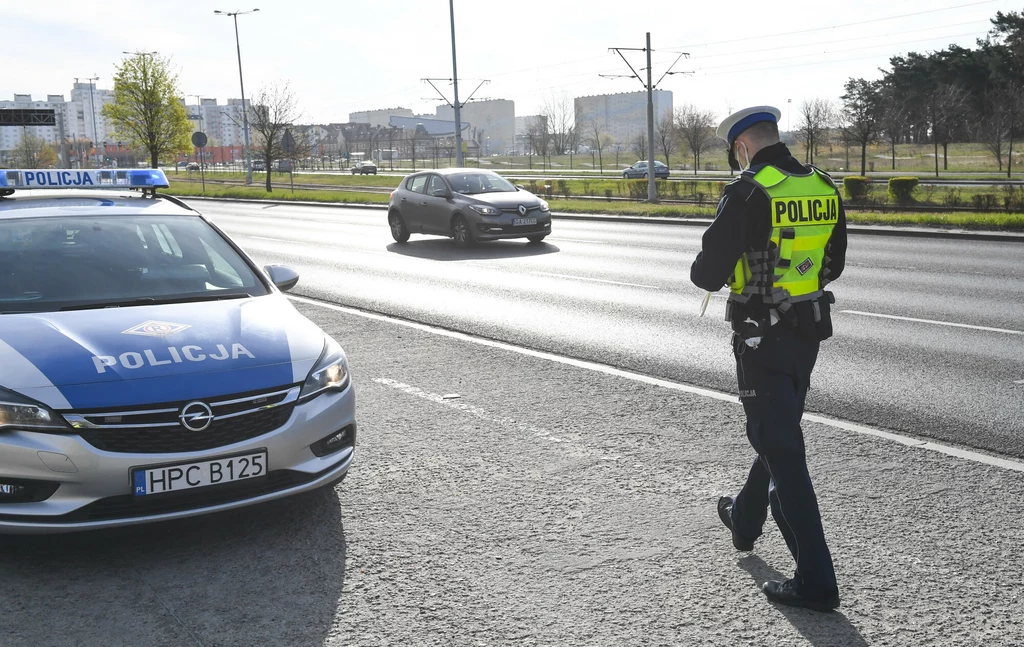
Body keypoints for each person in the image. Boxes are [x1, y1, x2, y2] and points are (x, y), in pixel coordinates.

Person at [690, 106, 848, 613]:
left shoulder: (749, 191)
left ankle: (815, 583)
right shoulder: (822, 185)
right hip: (806, 333)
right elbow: (834, 262)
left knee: (782, 450)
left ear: (741, 148)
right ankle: (745, 517)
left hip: (761, 338)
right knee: (777, 432)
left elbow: (706, 275)